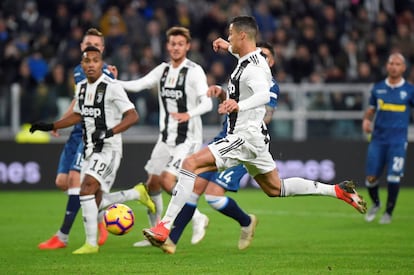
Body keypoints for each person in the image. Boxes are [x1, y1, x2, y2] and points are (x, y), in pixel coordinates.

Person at [142, 16, 367, 248]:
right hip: (255, 140)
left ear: (242, 35)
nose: (228, 37)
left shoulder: (256, 68)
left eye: (230, 34)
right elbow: (241, 54)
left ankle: (164, 227)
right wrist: (226, 49)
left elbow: (263, 95)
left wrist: (240, 105)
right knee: (275, 188)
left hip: (243, 137)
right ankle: (338, 191)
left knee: (190, 165)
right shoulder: (246, 57)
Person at [160, 41, 279, 254]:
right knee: (195, 188)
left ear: (272, 61)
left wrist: (244, 114)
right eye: (260, 53)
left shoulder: (270, 85)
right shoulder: (244, 73)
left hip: (244, 144)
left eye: (267, 56)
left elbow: (265, 116)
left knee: (214, 197)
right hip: (223, 137)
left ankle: (246, 221)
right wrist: (222, 96)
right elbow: (233, 104)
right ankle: (170, 240)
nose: (263, 58)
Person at [30, 46, 152, 254]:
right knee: (94, 200)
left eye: (96, 61)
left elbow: (133, 116)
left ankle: (91, 244)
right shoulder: (83, 88)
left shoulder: (111, 87)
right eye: (87, 61)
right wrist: (52, 126)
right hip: (89, 149)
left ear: (101, 64)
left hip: (109, 149)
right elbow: (78, 115)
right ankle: (135, 193)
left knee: (85, 188)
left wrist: (110, 132)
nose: (91, 65)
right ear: (82, 65)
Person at [116, 26, 213, 247]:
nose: (176, 47)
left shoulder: (194, 71)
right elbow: (139, 85)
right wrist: (112, 82)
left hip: (187, 138)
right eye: (172, 44)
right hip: (165, 137)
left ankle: (198, 218)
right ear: (167, 46)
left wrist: (188, 114)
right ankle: (155, 235)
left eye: (180, 44)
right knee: (153, 184)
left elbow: (207, 102)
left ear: (187, 46)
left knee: (168, 179)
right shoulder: (162, 70)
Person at [37, 28, 117, 250]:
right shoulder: (78, 70)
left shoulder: (105, 72)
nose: (90, 47)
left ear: (102, 49)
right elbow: (79, 100)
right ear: (82, 47)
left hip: (90, 134)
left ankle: (62, 236)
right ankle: (102, 213)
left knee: (75, 179)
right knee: (62, 182)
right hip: (76, 133)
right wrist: (60, 123)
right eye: (87, 44)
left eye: (96, 45)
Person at [362, 53, 414, 224]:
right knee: (371, 179)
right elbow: (371, 110)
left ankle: (388, 212)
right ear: (387, 66)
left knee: (394, 176)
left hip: (398, 142)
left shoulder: (409, 90)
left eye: (397, 64)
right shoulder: (378, 88)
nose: (394, 66)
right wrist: (367, 120)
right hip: (378, 140)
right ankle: (376, 204)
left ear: (403, 68)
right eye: (391, 63)